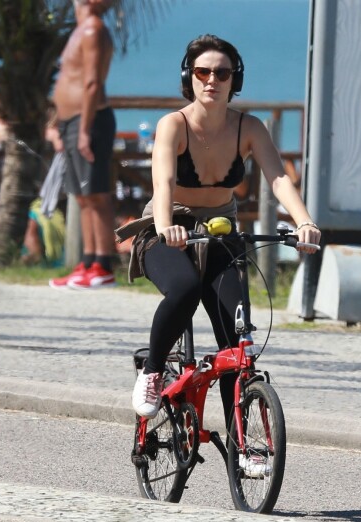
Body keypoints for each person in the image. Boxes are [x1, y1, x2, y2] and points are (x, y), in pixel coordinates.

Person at [117, 35, 321, 433]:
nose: (212, 80)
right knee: (185, 287)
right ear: (189, 77)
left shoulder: (249, 127)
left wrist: (304, 221)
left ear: (234, 79)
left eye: (222, 73)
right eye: (203, 72)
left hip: (220, 232)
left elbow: (278, 178)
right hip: (168, 227)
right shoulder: (173, 124)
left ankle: (243, 445)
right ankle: (154, 371)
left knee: (236, 341)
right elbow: (163, 182)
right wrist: (164, 227)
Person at [48, 0, 117, 290]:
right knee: (81, 196)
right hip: (71, 121)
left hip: (88, 120)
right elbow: (69, 78)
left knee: (97, 194)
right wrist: (55, 123)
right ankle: (88, 262)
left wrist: (85, 129)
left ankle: (103, 264)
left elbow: (91, 83)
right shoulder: (80, 29)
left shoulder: (93, 30)